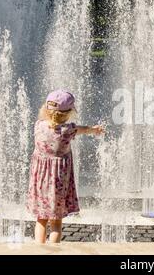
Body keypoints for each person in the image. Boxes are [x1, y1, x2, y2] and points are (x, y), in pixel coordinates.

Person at [26, 89, 104, 243]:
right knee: (55, 223)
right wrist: (93, 130)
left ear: (46, 109)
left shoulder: (38, 125)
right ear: (69, 112)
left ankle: (39, 252)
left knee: (41, 219)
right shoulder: (68, 131)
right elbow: (83, 129)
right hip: (58, 182)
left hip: (40, 181)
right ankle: (53, 253)